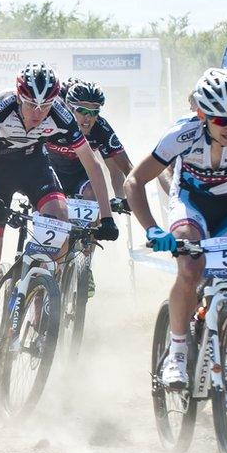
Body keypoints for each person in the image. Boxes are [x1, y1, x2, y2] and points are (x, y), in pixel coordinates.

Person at [0, 63, 118, 382]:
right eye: (31, 104)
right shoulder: (3, 107)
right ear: (19, 97)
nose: (37, 112)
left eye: (44, 106)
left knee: (60, 219)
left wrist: (108, 215)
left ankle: (41, 291)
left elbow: (93, 166)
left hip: (35, 168)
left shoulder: (59, 114)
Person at [125, 68, 227, 389]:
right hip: (191, 204)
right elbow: (134, 180)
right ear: (202, 113)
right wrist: (151, 230)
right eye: (220, 119)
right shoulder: (182, 134)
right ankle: (177, 352)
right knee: (190, 267)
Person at [48, 81, 133, 296]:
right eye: (83, 111)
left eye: (94, 112)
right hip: (50, 174)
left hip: (80, 178)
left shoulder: (101, 128)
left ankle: (85, 265)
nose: (89, 117)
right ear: (69, 107)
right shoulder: (53, 120)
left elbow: (122, 167)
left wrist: (125, 198)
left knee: (93, 196)